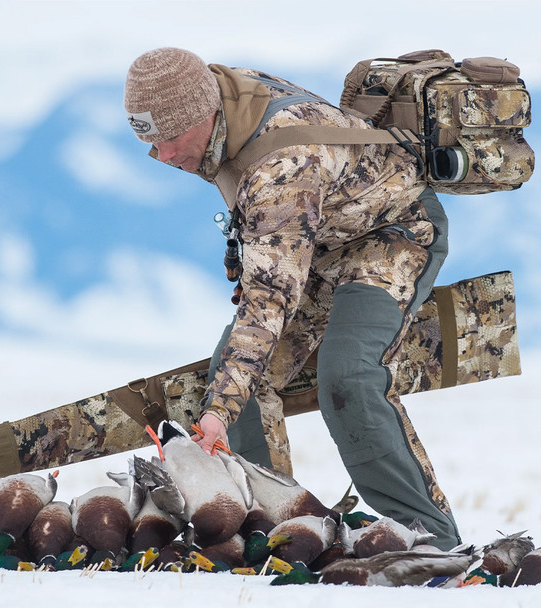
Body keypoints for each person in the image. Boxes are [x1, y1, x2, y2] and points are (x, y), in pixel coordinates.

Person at [123, 47, 461, 550]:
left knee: (348, 376)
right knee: (235, 378)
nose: (163, 155)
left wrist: (216, 413)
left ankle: (428, 540)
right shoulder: (218, 95)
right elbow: (275, 262)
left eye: (171, 138)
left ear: (205, 113)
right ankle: (275, 528)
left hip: (393, 233)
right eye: (149, 140)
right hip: (320, 241)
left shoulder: (281, 168)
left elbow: (267, 304)